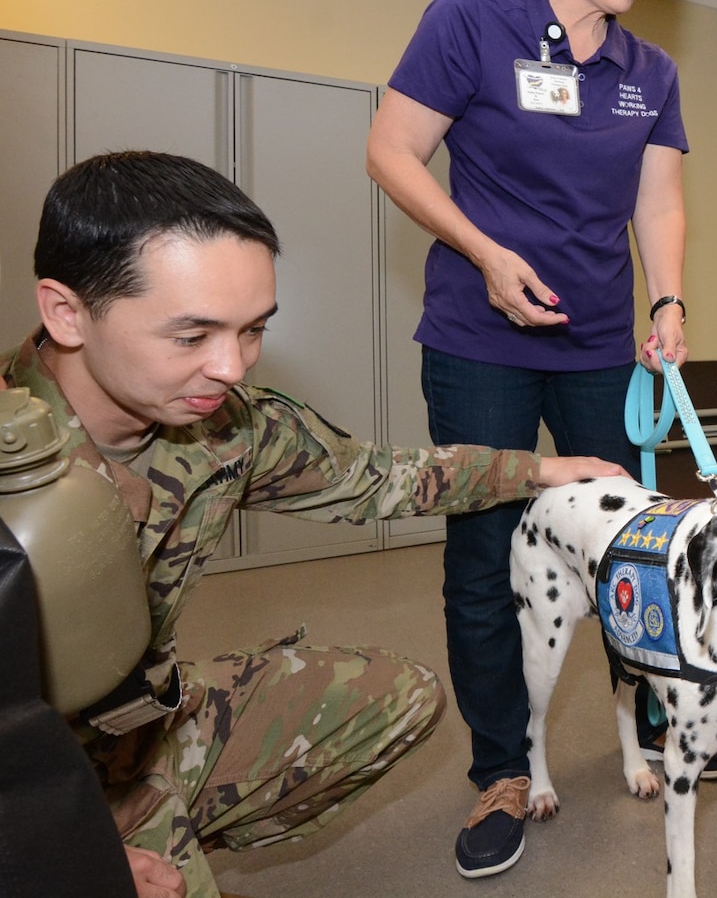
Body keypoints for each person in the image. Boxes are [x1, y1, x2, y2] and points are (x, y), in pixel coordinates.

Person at [5, 150, 627, 898]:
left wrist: (538, 470)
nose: (232, 367)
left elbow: (379, 479)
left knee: (400, 696)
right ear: (66, 312)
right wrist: (60, 852)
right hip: (24, 788)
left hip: (140, 731)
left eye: (252, 330)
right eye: (192, 336)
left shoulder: (228, 427)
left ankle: (167, 823)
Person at [364, 0, 717, 879]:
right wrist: (483, 254)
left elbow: (655, 201)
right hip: (479, 337)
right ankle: (500, 769)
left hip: (593, 349)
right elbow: (390, 149)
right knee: (484, 558)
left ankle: (661, 723)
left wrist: (666, 298)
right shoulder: (470, 22)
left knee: (633, 543)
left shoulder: (647, 72)